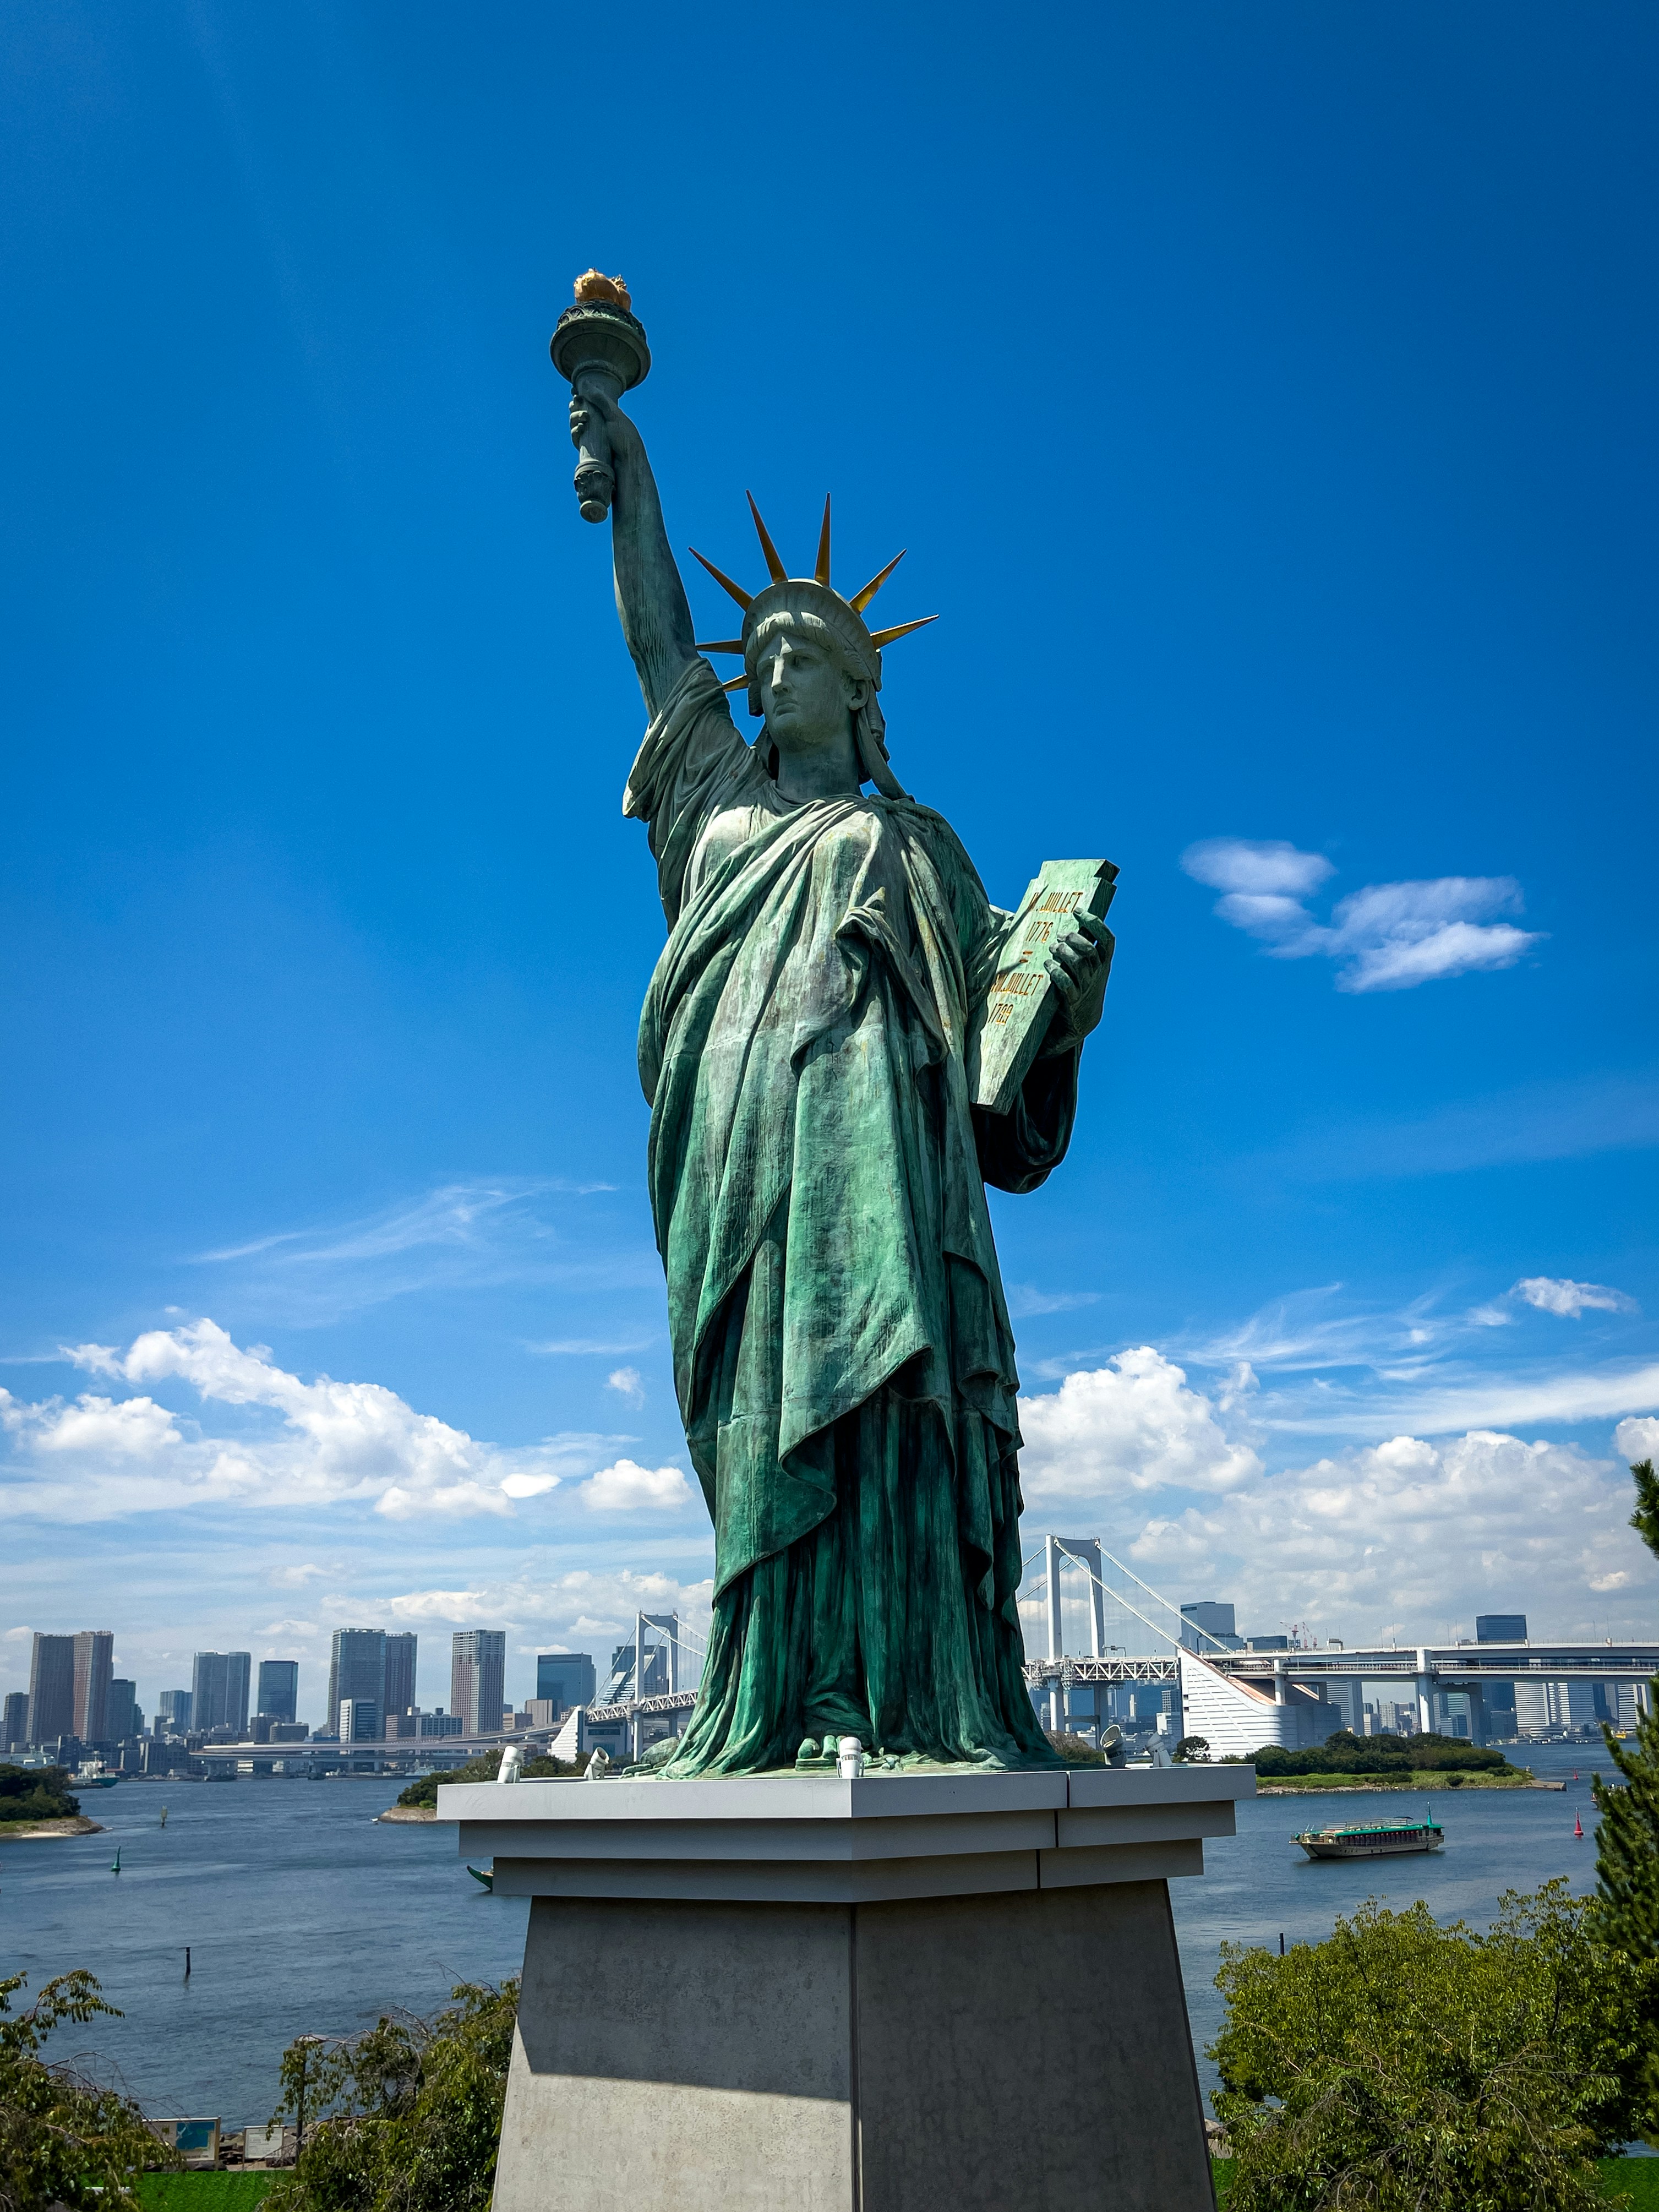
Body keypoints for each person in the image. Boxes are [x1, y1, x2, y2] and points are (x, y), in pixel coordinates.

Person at [570, 383, 1114, 1774]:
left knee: (894, 1401)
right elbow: (650, 644)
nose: (772, 663)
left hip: (887, 1155)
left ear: (863, 688)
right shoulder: (715, 803)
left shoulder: (919, 843)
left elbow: (1005, 1040)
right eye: (758, 649)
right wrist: (626, 460)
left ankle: (916, 1692)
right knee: (759, 1415)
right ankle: (777, 1690)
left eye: (803, 648)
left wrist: (1070, 986)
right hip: (739, 1152)